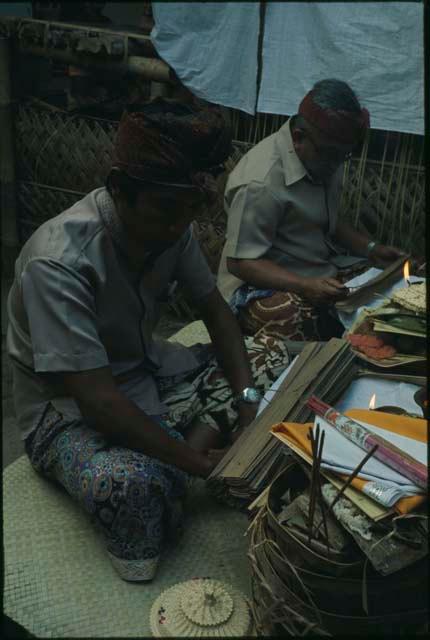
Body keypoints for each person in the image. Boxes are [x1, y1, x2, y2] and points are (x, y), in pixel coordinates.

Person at [7, 99, 290, 582]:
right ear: (119, 188)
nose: (180, 225)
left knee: (273, 357)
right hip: (69, 414)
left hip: (149, 373)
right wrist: (202, 465)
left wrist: (247, 403)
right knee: (127, 488)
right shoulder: (59, 262)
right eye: (165, 210)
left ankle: (194, 446)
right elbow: (98, 402)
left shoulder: (170, 224)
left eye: (190, 210)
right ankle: (194, 450)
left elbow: (217, 314)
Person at [217, 79, 405, 341]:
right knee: (299, 319)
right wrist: (305, 286)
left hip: (316, 272)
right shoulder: (260, 183)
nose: (337, 164)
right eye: (331, 155)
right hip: (256, 286)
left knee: (390, 288)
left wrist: (371, 248)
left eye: (344, 155)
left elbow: (326, 219)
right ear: (298, 138)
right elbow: (241, 262)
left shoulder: (325, 153)